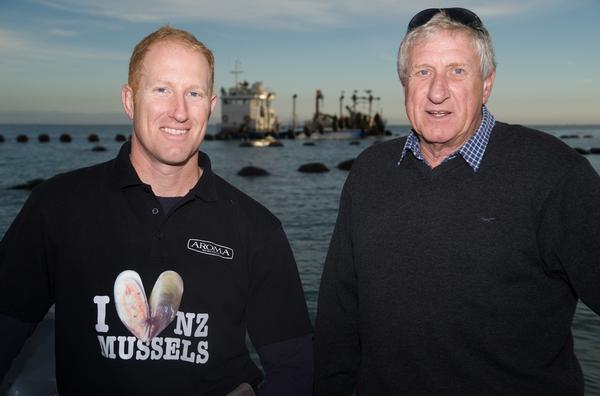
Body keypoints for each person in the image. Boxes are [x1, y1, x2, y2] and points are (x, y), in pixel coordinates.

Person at [0, 26, 313, 396]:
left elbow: (296, 367)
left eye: (193, 93)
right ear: (130, 100)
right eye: (162, 89)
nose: (179, 111)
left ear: (211, 107)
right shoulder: (57, 207)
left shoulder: (256, 228)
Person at [314, 8, 600, 396]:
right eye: (423, 72)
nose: (437, 91)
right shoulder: (370, 171)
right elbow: (338, 314)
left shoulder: (555, 174)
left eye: (457, 71)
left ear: (487, 84)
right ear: (404, 84)